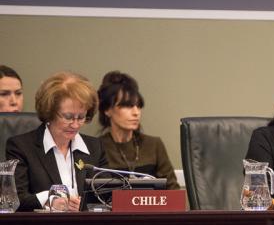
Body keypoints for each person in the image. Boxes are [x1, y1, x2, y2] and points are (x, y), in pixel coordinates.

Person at [6, 71, 107, 212]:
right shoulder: (21, 147)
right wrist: (50, 200)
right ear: (50, 112)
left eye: (81, 117)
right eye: (68, 117)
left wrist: (86, 206)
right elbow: (15, 200)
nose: (75, 124)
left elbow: (106, 197)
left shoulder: (95, 147)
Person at [97, 71, 179, 190]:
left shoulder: (154, 145)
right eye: (127, 106)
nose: (136, 112)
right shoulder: (98, 148)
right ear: (107, 110)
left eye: (138, 106)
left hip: (153, 207)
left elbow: (173, 191)